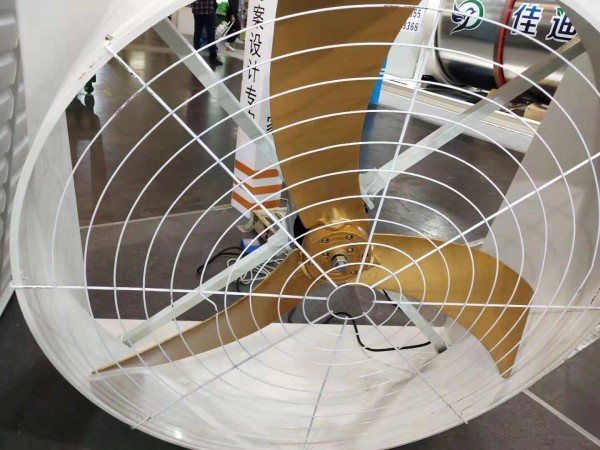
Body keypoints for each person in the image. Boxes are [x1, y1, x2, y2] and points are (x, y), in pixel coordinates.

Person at [191, 0, 223, 66]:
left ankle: (195, 54)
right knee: (210, 34)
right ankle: (213, 57)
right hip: (208, 8)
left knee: (197, 32)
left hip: (197, 9)